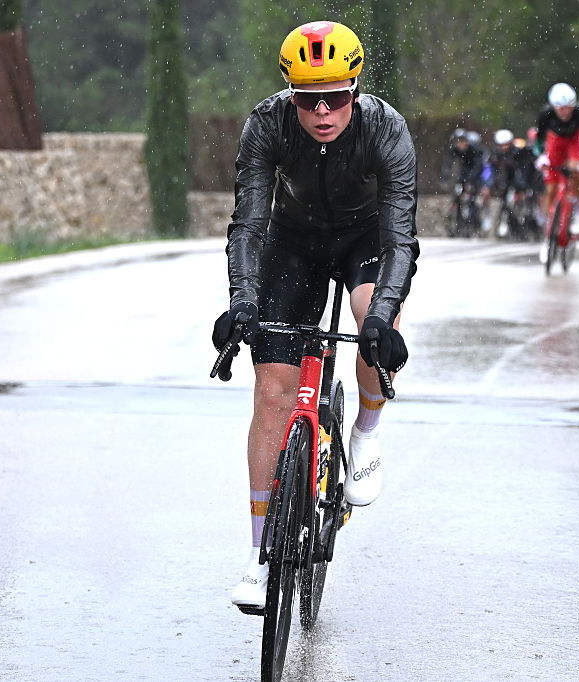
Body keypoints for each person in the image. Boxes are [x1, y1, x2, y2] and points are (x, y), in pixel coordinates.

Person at [212, 20, 418, 612]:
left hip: (365, 238)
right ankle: (258, 557)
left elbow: (401, 236)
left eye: (336, 98)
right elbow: (248, 223)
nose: (322, 111)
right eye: (308, 99)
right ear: (290, 96)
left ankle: (367, 430)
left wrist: (382, 316)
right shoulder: (266, 124)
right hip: (294, 240)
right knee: (272, 390)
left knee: (369, 320)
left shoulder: (386, 129)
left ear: (356, 90)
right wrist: (242, 303)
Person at [533, 82, 579, 259]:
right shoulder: (545, 114)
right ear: (553, 107)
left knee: (576, 168)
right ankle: (548, 229)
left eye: (568, 108)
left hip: (575, 141)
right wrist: (541, 156)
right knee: (551, 187)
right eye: (560, 109)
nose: (565, 112)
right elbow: (538, 140)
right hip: (556, 141)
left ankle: (578, 208)